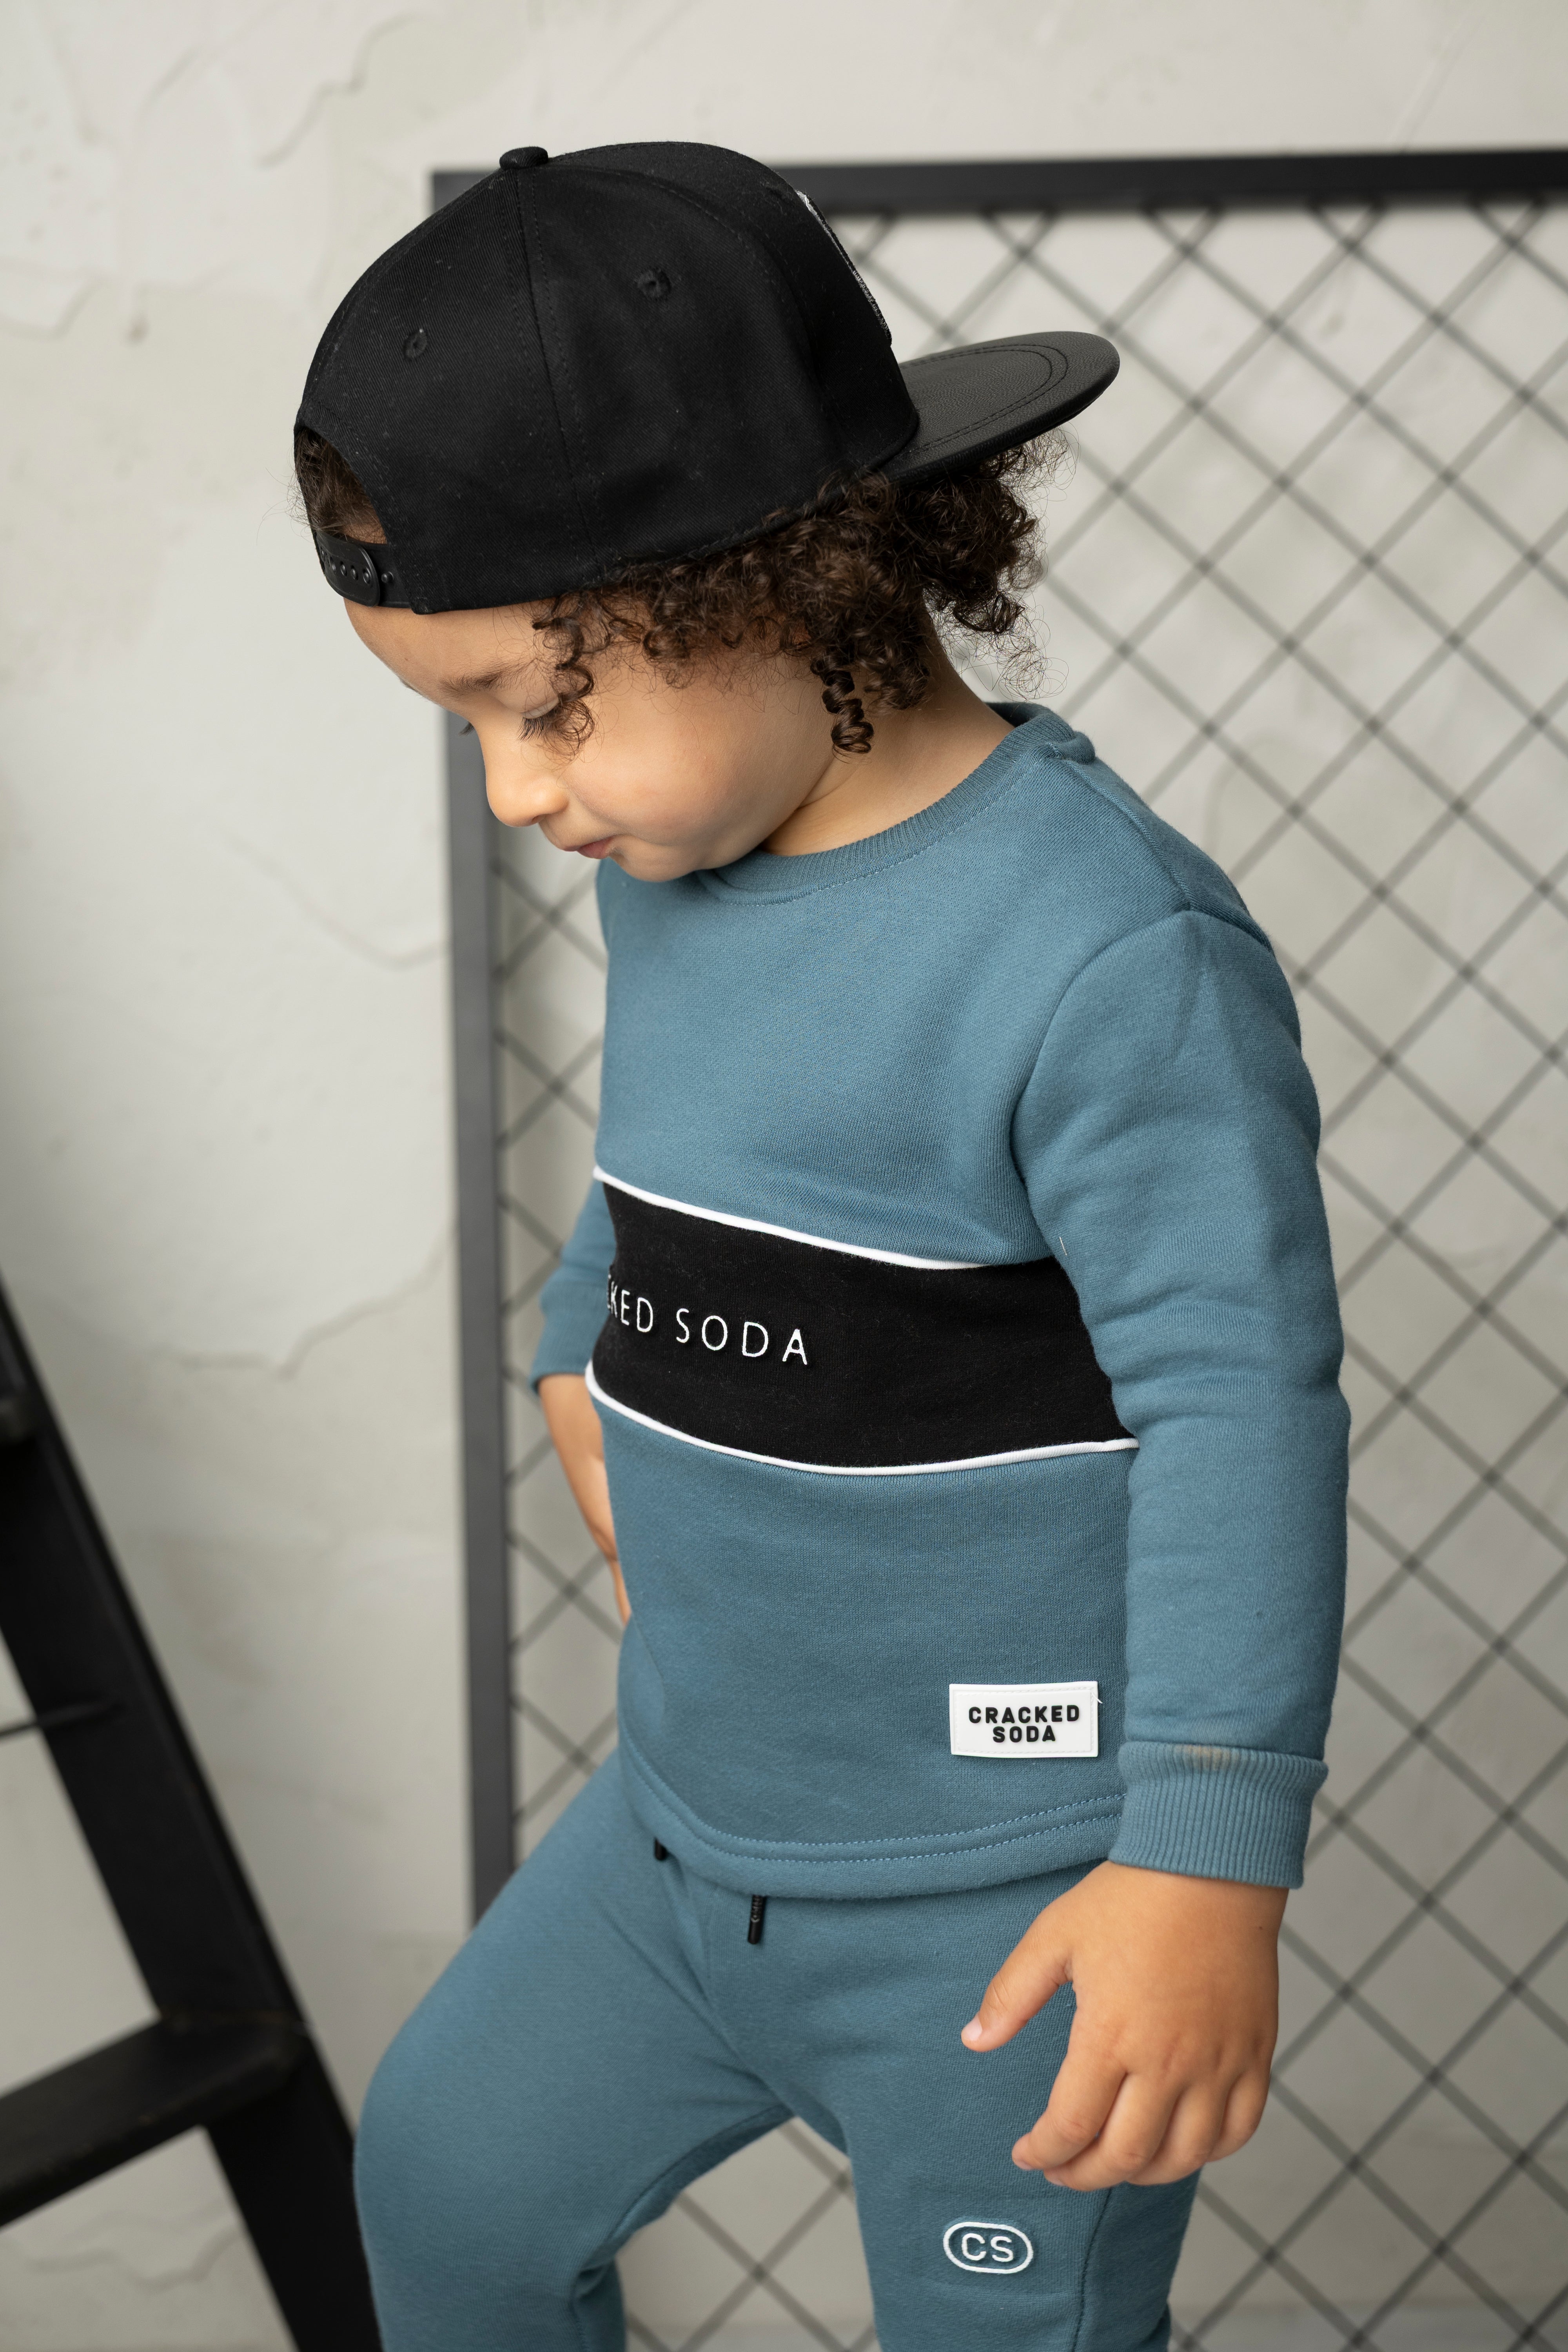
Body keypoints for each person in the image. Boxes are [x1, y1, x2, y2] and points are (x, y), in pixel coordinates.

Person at [295, 141, 1348, 2352]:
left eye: (540, 703)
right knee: (453, 2188)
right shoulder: (680, 863)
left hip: (1006, 1918)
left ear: (783, 583)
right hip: (682, 1839)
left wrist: (1205, 1861)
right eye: (461, 722)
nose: (513, 792)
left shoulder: (1106, 956)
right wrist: (579, 1337)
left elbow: (1241, 1408)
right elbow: (676, 1155)